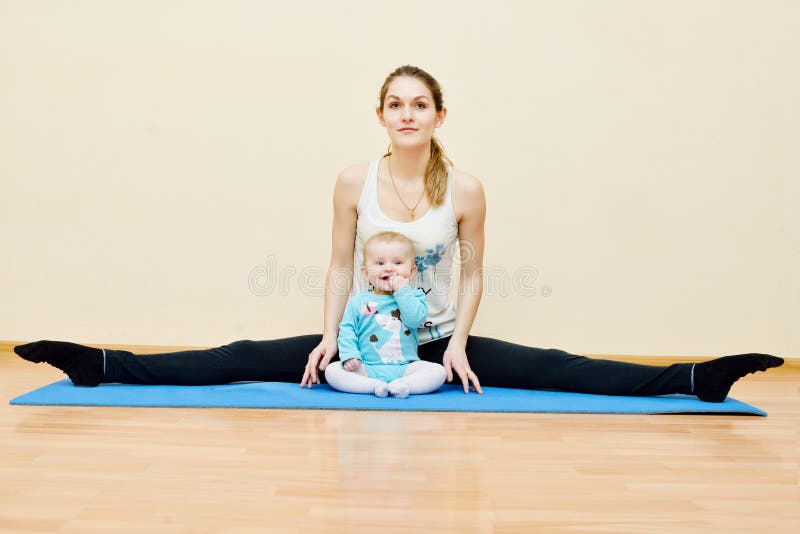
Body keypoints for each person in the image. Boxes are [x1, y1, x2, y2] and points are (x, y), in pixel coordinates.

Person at [14, 65, 783, 403]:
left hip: (431, 341)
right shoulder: (354, 179)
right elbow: (337, 265)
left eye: (420, 104)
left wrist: (454, 345)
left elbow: (476, 274)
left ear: (439, 116)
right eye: (394, 104)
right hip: (356, 339)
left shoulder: (469, 189)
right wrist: (326, 339)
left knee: (555, 364)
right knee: (242, 357)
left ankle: (690, 377)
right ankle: (102, 365)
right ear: (381, 114)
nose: (407, 114)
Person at [324, 230, 446, 398]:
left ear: (411, 272)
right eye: (380, 263)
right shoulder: (358, 301)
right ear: (366, 273)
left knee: (438, 372)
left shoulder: (414, 296)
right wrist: (350, 355)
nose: (388, 267)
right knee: (332, 371)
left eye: (397, 262)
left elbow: (414, 320)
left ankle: (404, 385)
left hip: (406, 367)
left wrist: (401, 290)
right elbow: (347, 330)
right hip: (367, 367)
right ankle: (373, 386)